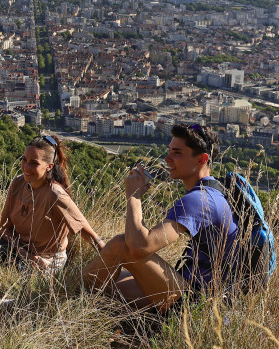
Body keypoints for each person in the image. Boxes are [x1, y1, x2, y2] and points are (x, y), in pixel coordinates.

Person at [81, 124, 238, 312]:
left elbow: (139, 247)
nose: (167, 158)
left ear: (202, 159)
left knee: (120, 246)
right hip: (202, 293)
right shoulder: (214, 192)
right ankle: (82, 297)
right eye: (169, 151)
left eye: (177, 153)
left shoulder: (199, 200)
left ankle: (70, 296)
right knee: (114, 281)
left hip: (196, 305)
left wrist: (134, 196)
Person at [0, 135, 104, 271]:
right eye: (24, 160)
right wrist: (25, 254)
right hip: (16, 250)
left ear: (49, 166)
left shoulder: (55, 194)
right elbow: (4, 227)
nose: (26, 167)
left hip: (47, 260)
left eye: (34, 163)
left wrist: (112, 260)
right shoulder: (17, 183)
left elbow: (88, 233)